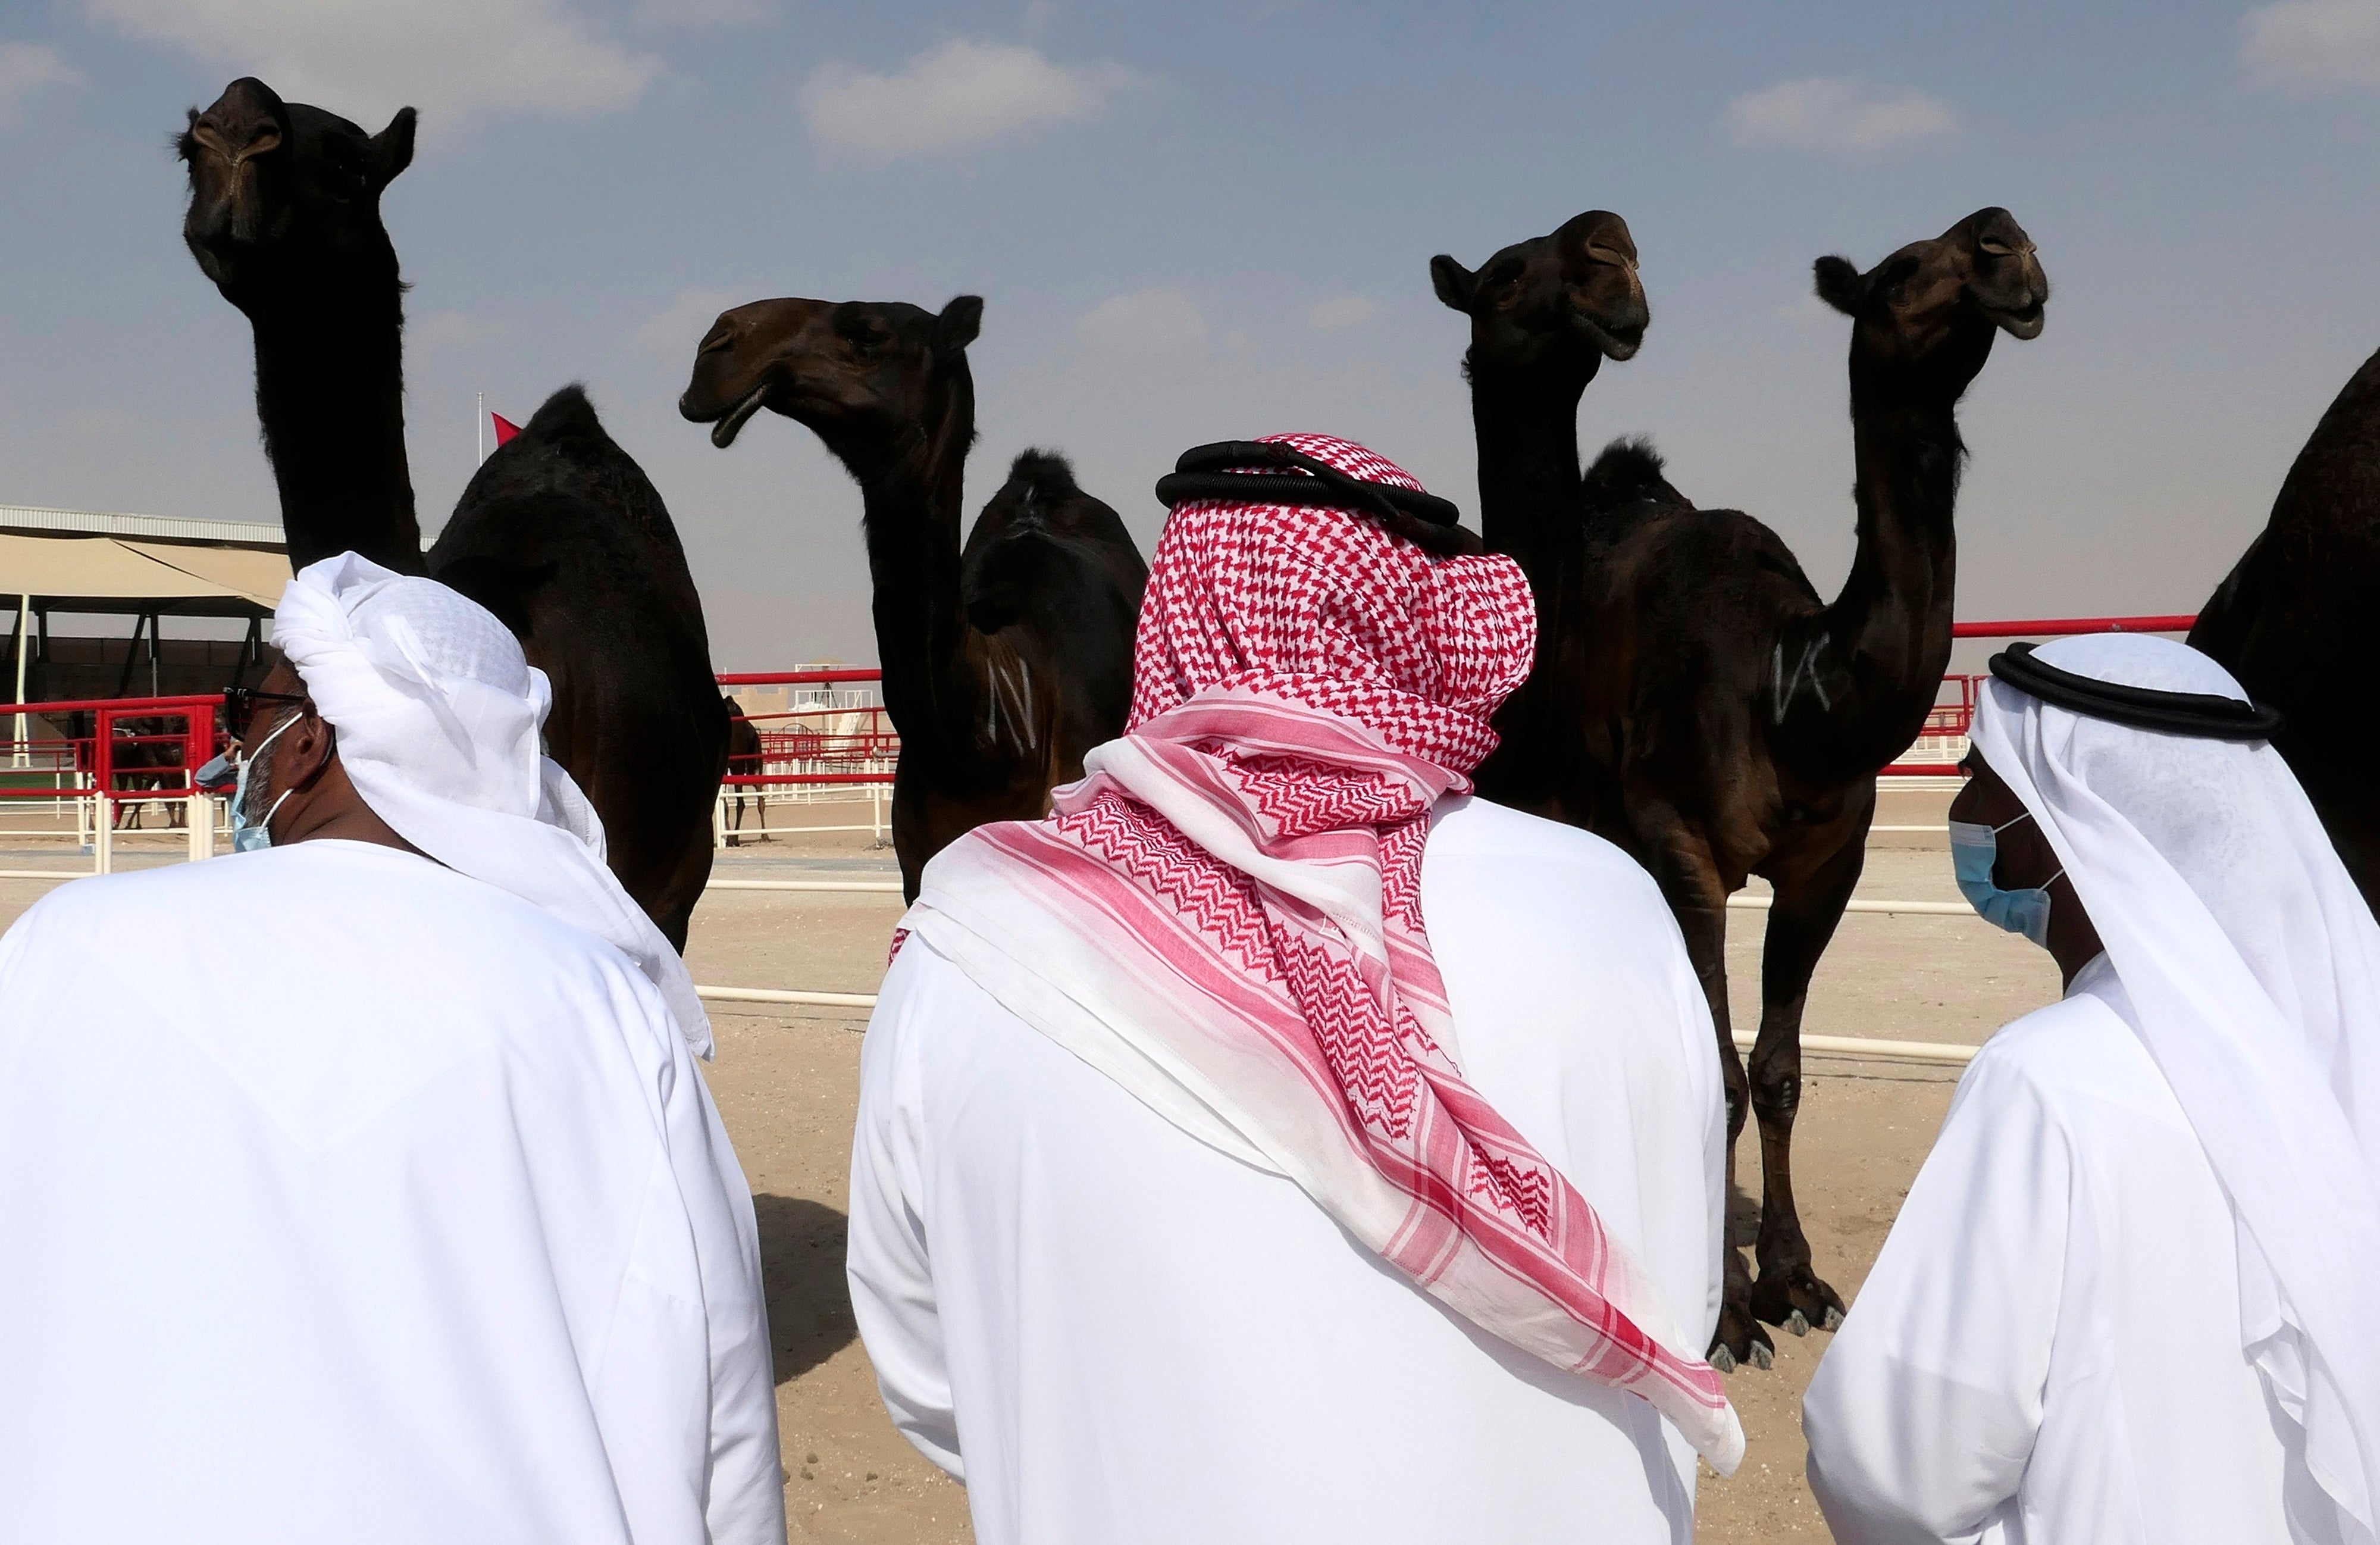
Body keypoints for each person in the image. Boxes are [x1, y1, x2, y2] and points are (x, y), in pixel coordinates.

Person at [846, 433, 1743, 1545]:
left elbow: (935, 1383)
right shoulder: (1615, 907)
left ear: (1175, 611)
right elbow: (1681, 1294)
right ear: (1424, 618)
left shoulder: (967, 942)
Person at [0, 555, 785, 1545]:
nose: (236, 739)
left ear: (308, 743)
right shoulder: (601, 1009)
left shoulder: (66, 944)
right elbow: (719, 1423)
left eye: (255, 706)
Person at [1802, 633, 2380, 1545]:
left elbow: (1894, 1468)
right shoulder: (2342, 1042)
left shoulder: (2050, 1081)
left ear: (2064, 816)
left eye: (1985, 781)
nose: (1965, 810)